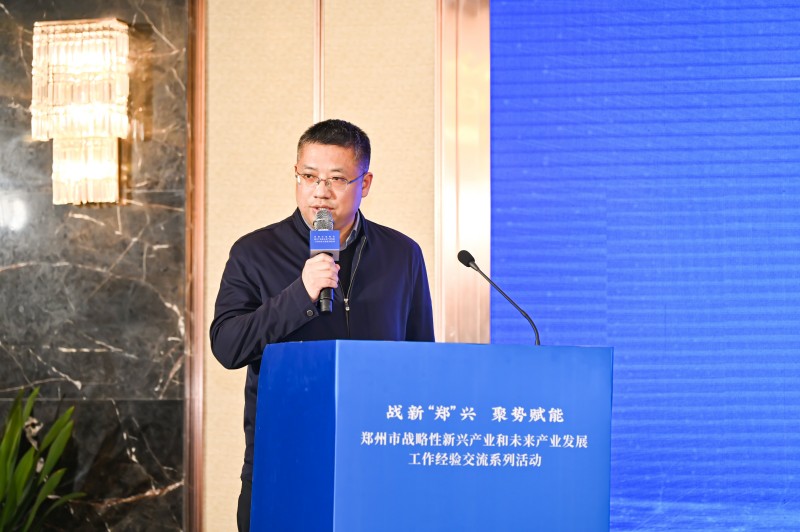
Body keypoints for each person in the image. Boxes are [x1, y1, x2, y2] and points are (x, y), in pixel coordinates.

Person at [210, 119, 435, 531]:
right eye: (309, 176)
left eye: (336, 179)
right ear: (296, 176)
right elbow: (227, 346)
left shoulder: (402, 254)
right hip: (284, 460)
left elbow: (421, 359)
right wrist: (301, 294)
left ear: (365, 183)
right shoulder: (254, 252)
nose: (320, 191)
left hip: (376, 463)